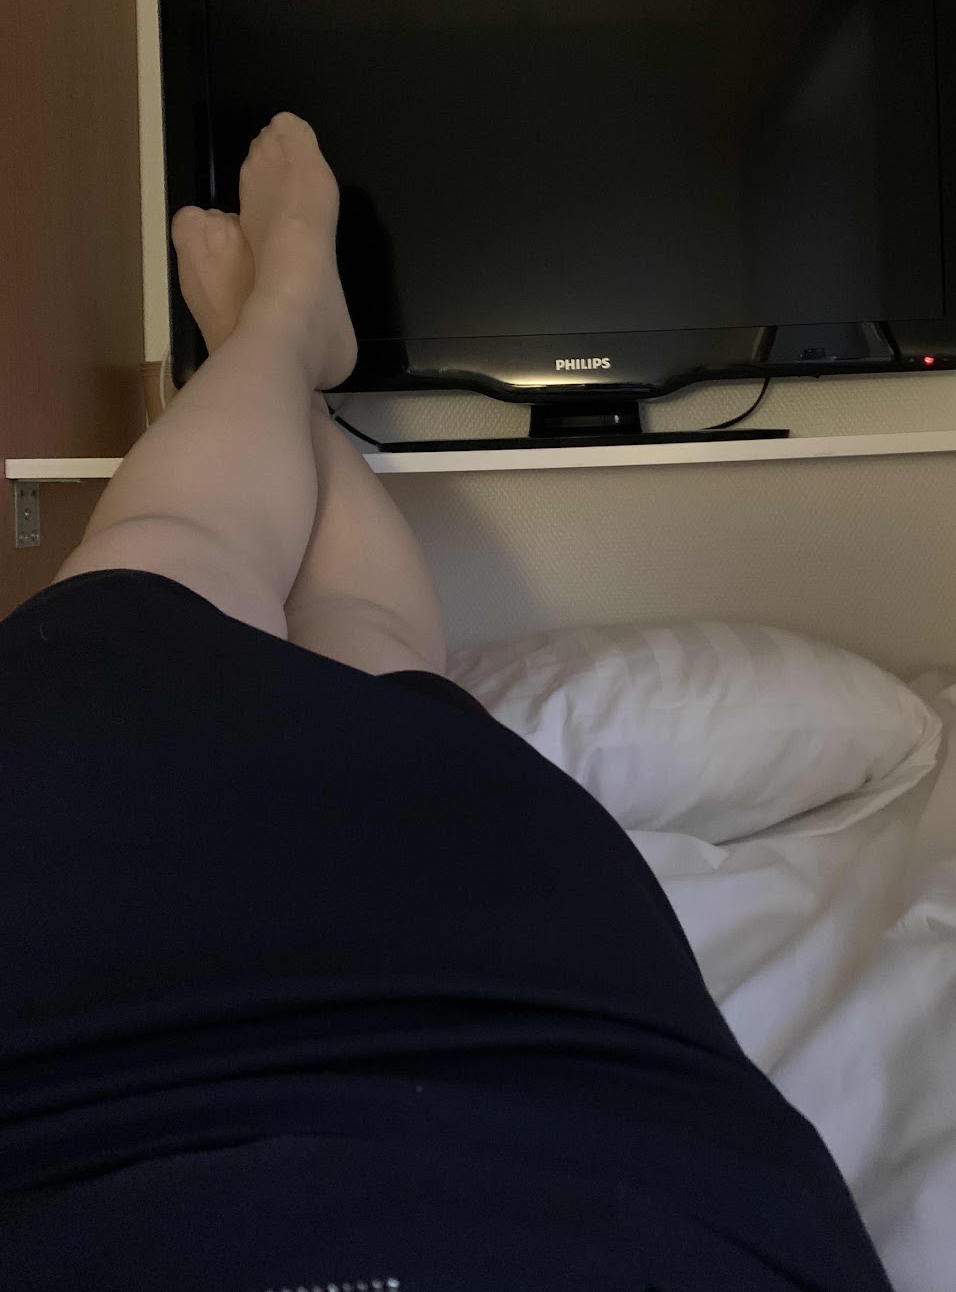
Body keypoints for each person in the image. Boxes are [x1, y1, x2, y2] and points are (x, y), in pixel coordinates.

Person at [0, 115, 892, 1291]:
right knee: (355, 657)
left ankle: (272, 337)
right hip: (558, 1083)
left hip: (63, 1073)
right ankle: (278, 337)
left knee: (182, 583)